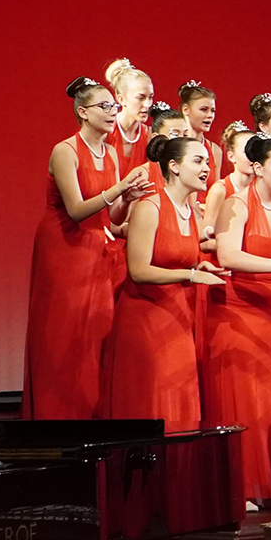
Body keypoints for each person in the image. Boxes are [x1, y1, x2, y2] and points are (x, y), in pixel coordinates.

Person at [25, 77, 150, 420]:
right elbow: (77, 209)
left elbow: (113, 217)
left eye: (114, 106)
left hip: (95, 246)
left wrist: (128, 197)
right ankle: (55, 416)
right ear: (83, 112)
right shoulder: (65, 151)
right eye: (104, 106)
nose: (112, 112)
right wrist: (118, 188)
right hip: (63, 247)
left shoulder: (110, 152)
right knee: (61, 331)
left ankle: (88, 414)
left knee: (92, 331)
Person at [210, 135, 271, 504]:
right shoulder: (236, 203)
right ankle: (250, 484)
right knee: (254, 401)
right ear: (257, 168)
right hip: (244, 311)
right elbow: (228, 255)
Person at [109, 136, 225, 429]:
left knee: (179, 397)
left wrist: (200, 266)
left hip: (178, 316)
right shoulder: (150, 207)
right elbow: (139, 271)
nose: (206, 169)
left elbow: (181, 258)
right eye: (198, 161)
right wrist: (190, 275)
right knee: (153, 401)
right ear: (173, 166)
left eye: (207, 162)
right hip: (146, 319)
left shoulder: (191, 211)